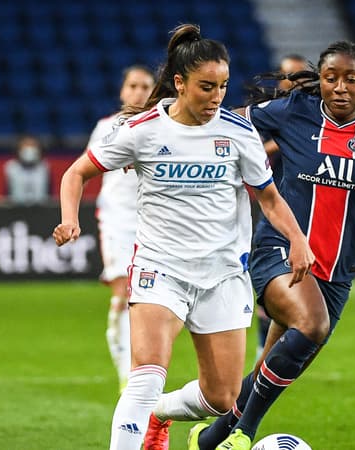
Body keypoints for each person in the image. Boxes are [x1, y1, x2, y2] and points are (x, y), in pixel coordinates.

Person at [52, 24, 314, 450]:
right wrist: (70, 218)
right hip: (160, 269)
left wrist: (297, 240)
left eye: (224, 87)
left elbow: (269, 198)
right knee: (144, 377)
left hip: (224, 274)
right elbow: (76, 172)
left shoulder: (238, 132)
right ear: (179, 82)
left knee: (223, 397)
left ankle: (160, 413)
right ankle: (142, 414)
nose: (216, 97)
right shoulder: (143, 130)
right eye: (206, 87)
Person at [187, 40, 355, 450]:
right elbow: (230, 122)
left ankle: (209, 440)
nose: (340, 87)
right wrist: (176, 130)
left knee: (273, 366)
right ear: (322, 81)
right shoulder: (294, 112)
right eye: (331, 78)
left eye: (351, 79)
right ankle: (242, 435)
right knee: (312, 326)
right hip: (280, 251)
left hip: (336, 271)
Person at [86, 65, 156, 393]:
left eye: (146, 86)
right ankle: (128, 375)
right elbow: (86, 168)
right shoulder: (106, 127)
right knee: (126, 292)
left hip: (153, 223)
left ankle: (132, 360)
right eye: (133, 85)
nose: (139, 92)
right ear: (122, 91)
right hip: (117, 222)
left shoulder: (162, 126)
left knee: (145, 299)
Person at [254, 54, 310, 362]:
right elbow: (250, 148)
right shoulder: (269, 114)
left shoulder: (312, 115)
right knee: (272, 285)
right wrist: (282, 141)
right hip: (274, 201)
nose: (296, 82)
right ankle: (263, 353)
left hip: (305, 204)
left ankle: (269, 356)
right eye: (290, 76)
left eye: (302, 76)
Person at [4, 135, 50, 205]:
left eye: (32, 145)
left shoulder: (44, 167)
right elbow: (5, 194)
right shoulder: (11, 168)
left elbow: (49, 194)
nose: (29, 149)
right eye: (26, 145)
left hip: (41, 210)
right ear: (19, 149)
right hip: (15, 209)